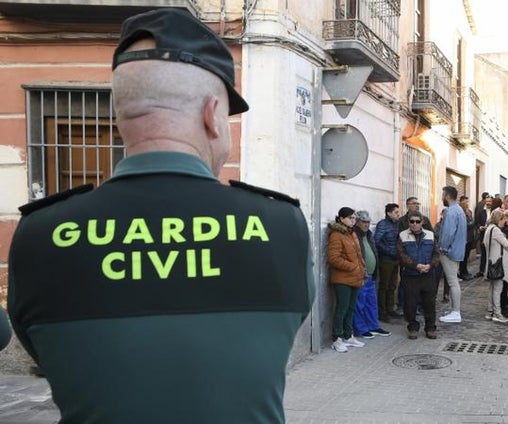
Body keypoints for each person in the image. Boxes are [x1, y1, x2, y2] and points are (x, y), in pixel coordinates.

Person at [8, 9, 314, 423]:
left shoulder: (39, 234)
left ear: (120, 118)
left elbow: (38, 347)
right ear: (212, 115)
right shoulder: (281, 226)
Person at [328, 207, 367, 352]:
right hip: (342, 279)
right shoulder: (336, 235)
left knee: (351, 308)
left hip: (355, 277)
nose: (353, 220)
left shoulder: (352, 233)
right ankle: (337, 339)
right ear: (341, 218)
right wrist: (353, 267)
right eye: (350, 218)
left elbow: (358, 254)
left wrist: (361, 268)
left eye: (354, 218)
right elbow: (333, 258)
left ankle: (348, 335)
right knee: (342, 308)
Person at [396, 211, 441, 339]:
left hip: (428, 274)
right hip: (411, 275)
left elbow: (436, 253)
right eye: (412, 222)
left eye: (417, 221)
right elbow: (401, 254)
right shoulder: (403, 235)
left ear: (422, 222)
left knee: (429, 303)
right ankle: (412, 327)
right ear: (409, 222)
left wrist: (430, 265)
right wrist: (415, 265)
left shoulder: (430, 235)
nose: (414, 224)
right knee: (410, 304)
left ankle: (430, 328)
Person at [352, 211, 391, 339]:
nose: (366, 224)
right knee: (359, 303)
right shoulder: (354, 235)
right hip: (360, 275)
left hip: (371, 275)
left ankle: (373, 326)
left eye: (368, 222)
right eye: (363, 222)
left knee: (371, 303)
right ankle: (361, 329)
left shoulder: (369, 235)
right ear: (357, 222)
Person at [437, 186, 467, 324]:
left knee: (452, 282)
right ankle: (454, 310)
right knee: (453, 281)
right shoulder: (459, 210)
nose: (442, 197)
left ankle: (455, 311)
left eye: (443, 194)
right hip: (456, 251)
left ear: (447, 196)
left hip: (449, 252)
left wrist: (442, 247)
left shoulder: (451, 211)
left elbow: (448, 233)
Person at [482, 210, 508, 323]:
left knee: (492, 288)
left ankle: (489, 311)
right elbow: (506, 244)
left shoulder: (489, 229)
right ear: (499, 219)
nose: (504, 222)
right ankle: (497, 313)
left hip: (491, 262)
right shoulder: (496, 230)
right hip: (498, 264)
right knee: (498, 288)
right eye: (503, 219)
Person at [373, 203, 401, 322]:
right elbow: (377, 241)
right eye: (396, 212)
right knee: (384, 285)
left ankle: (390, 308)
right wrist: (389, 251)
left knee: (392, 285)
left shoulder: (397, 225)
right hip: (386, 259)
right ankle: (382, 312)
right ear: (389, 213)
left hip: (396, 259)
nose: (398, 214)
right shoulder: (382, 224)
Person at [474, 195, 493, 277]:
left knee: (492, 253)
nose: (488, 203)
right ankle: (481, 271)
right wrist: (480, 227)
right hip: (483, 234)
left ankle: (491, 270)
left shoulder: (495, 211)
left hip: (492, 234)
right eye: (487, 201)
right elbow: (477, 222)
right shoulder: (481, 211)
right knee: (483, 253)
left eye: (490, 201)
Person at [458, 195, 476, 281]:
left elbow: (471, 222)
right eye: (465, 202)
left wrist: (472, 223)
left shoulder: (469, 212)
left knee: (467, 256)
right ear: (461, 203)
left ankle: (465, 271)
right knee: (463, 257)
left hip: (470, 238)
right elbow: (465, 225)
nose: (467, 204)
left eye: (467, 202)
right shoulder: (460, 212)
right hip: (463, 238)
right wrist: (473, 223)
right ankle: (462, 273)